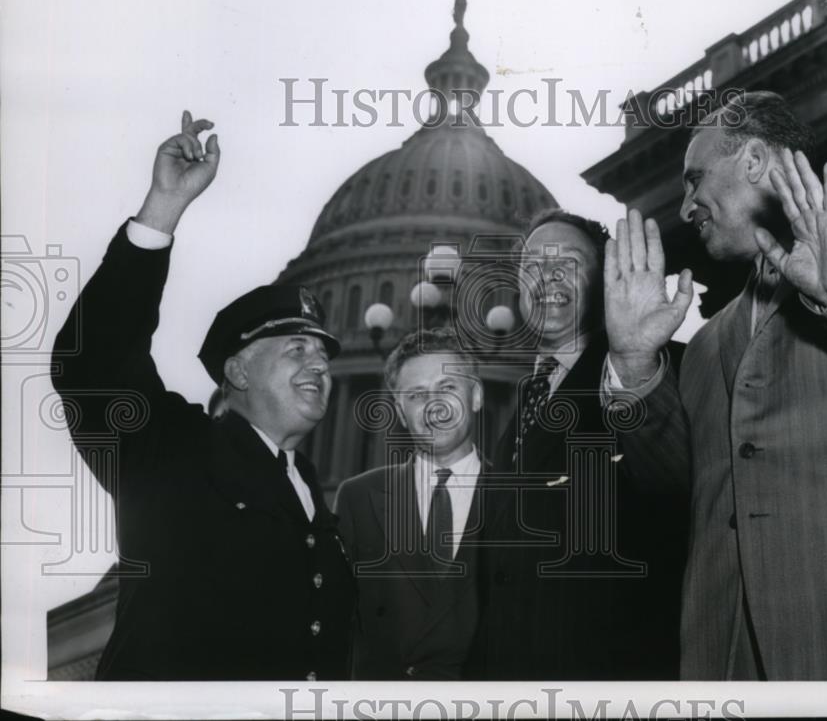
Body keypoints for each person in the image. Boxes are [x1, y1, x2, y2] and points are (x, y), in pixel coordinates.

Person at [605, 91, 827, 680]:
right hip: (734, 665)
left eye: (694, 179)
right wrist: (635, 366)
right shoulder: (704, 346)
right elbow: (676, 490)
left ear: (753, 161)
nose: (686, 206)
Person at [51, 111, 355, 680]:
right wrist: (162, 210)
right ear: (237, 372)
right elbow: (93, 365)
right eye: (295, 349)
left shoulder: (311, 495)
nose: (318, 364)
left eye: (322, 355)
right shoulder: (173, 454)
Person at [468, 209, 691, 680]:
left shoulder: (660, 370)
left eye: (566, 262)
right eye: (532, 265)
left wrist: (635, 364)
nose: (545, 276)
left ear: (605, 277)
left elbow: (676, 483)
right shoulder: (522, 404)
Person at [334, 328, 484, 679]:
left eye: (448, 388)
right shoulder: (358, 499)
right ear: (401, 413)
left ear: (476, 395)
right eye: (417, 395)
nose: (434, 405)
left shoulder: (517, 498)